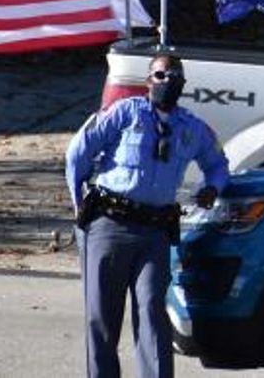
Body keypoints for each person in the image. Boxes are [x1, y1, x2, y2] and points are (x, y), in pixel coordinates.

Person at [65, 52, 229, 378]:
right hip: (109, 225)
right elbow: (79, 153)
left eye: (175, 77)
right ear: (147, 81)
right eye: (160, 75)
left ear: (183, 84)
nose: (168, 82)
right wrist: (78, 201)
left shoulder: (192, 128)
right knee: (102, 318)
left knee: (153, 311)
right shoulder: (125, 113)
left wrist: (213, 188)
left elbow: (218, 165)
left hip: (154, 233)